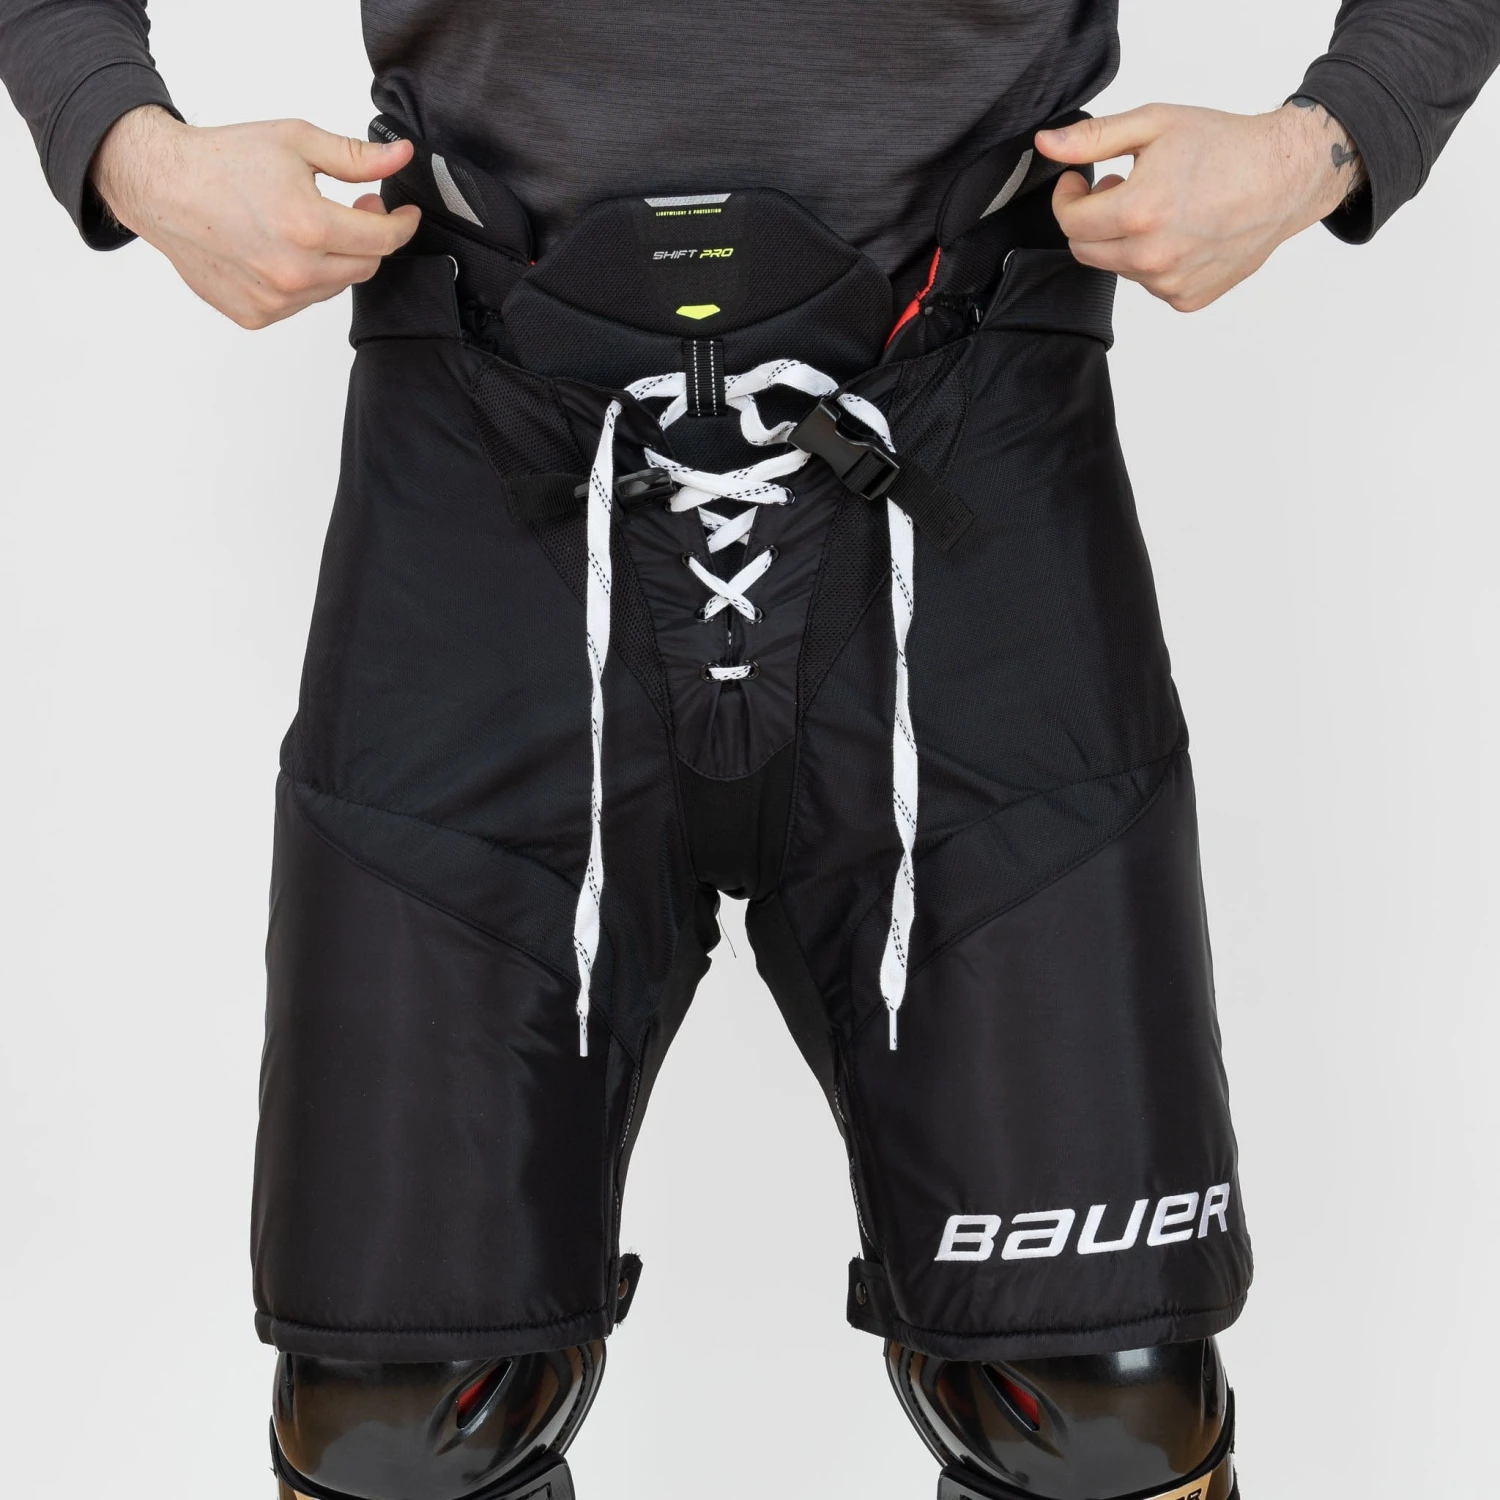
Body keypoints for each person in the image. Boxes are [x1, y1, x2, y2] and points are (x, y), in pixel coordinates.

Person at [2, 5, 1496, 1499]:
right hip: (483, 439)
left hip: (967, 431)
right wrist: (131, 147)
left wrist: (1332, 134)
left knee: (1097, 1409)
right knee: (397, 1416)